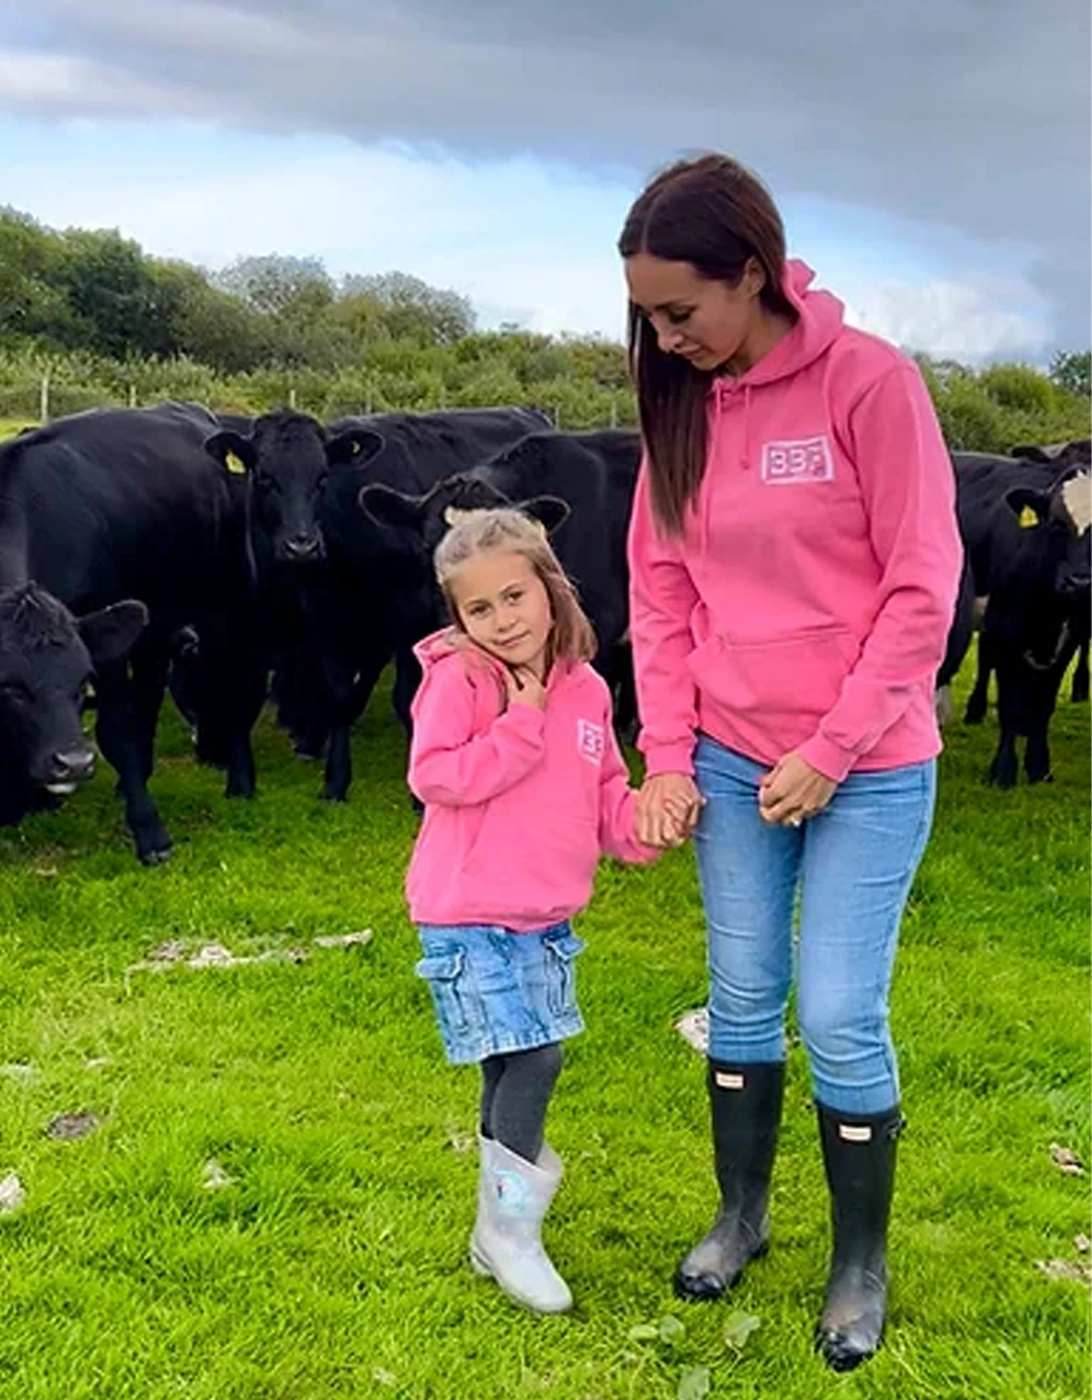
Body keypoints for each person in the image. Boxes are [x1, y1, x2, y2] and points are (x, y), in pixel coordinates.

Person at [618, 153, 963, 1371]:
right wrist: (667, 757)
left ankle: (859, 1263)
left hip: (866, 761)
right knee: (745, 993)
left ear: (752, 273)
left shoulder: (872, 385)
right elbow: (657, 600)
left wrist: (831, 745)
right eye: (647, 316)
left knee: (838, 1009)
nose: (664, 338)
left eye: (681, 311)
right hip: (725, 759)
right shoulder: (680, 408)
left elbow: (924, 589)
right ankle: (742, 1213)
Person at [405, 507, 684, 1314]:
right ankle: (511, 1235)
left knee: (510, 1061)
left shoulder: (589, 689)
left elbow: (602, 796)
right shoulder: (460, 681)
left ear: (550, 589)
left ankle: (497, 1230)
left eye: (514, 597)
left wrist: (647, 825)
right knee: (536, 1058)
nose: (501, 621)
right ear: (458, 618)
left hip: (543, 917)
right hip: (470, 910)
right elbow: (436, 776)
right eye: (478, 609)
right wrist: (520, 726)